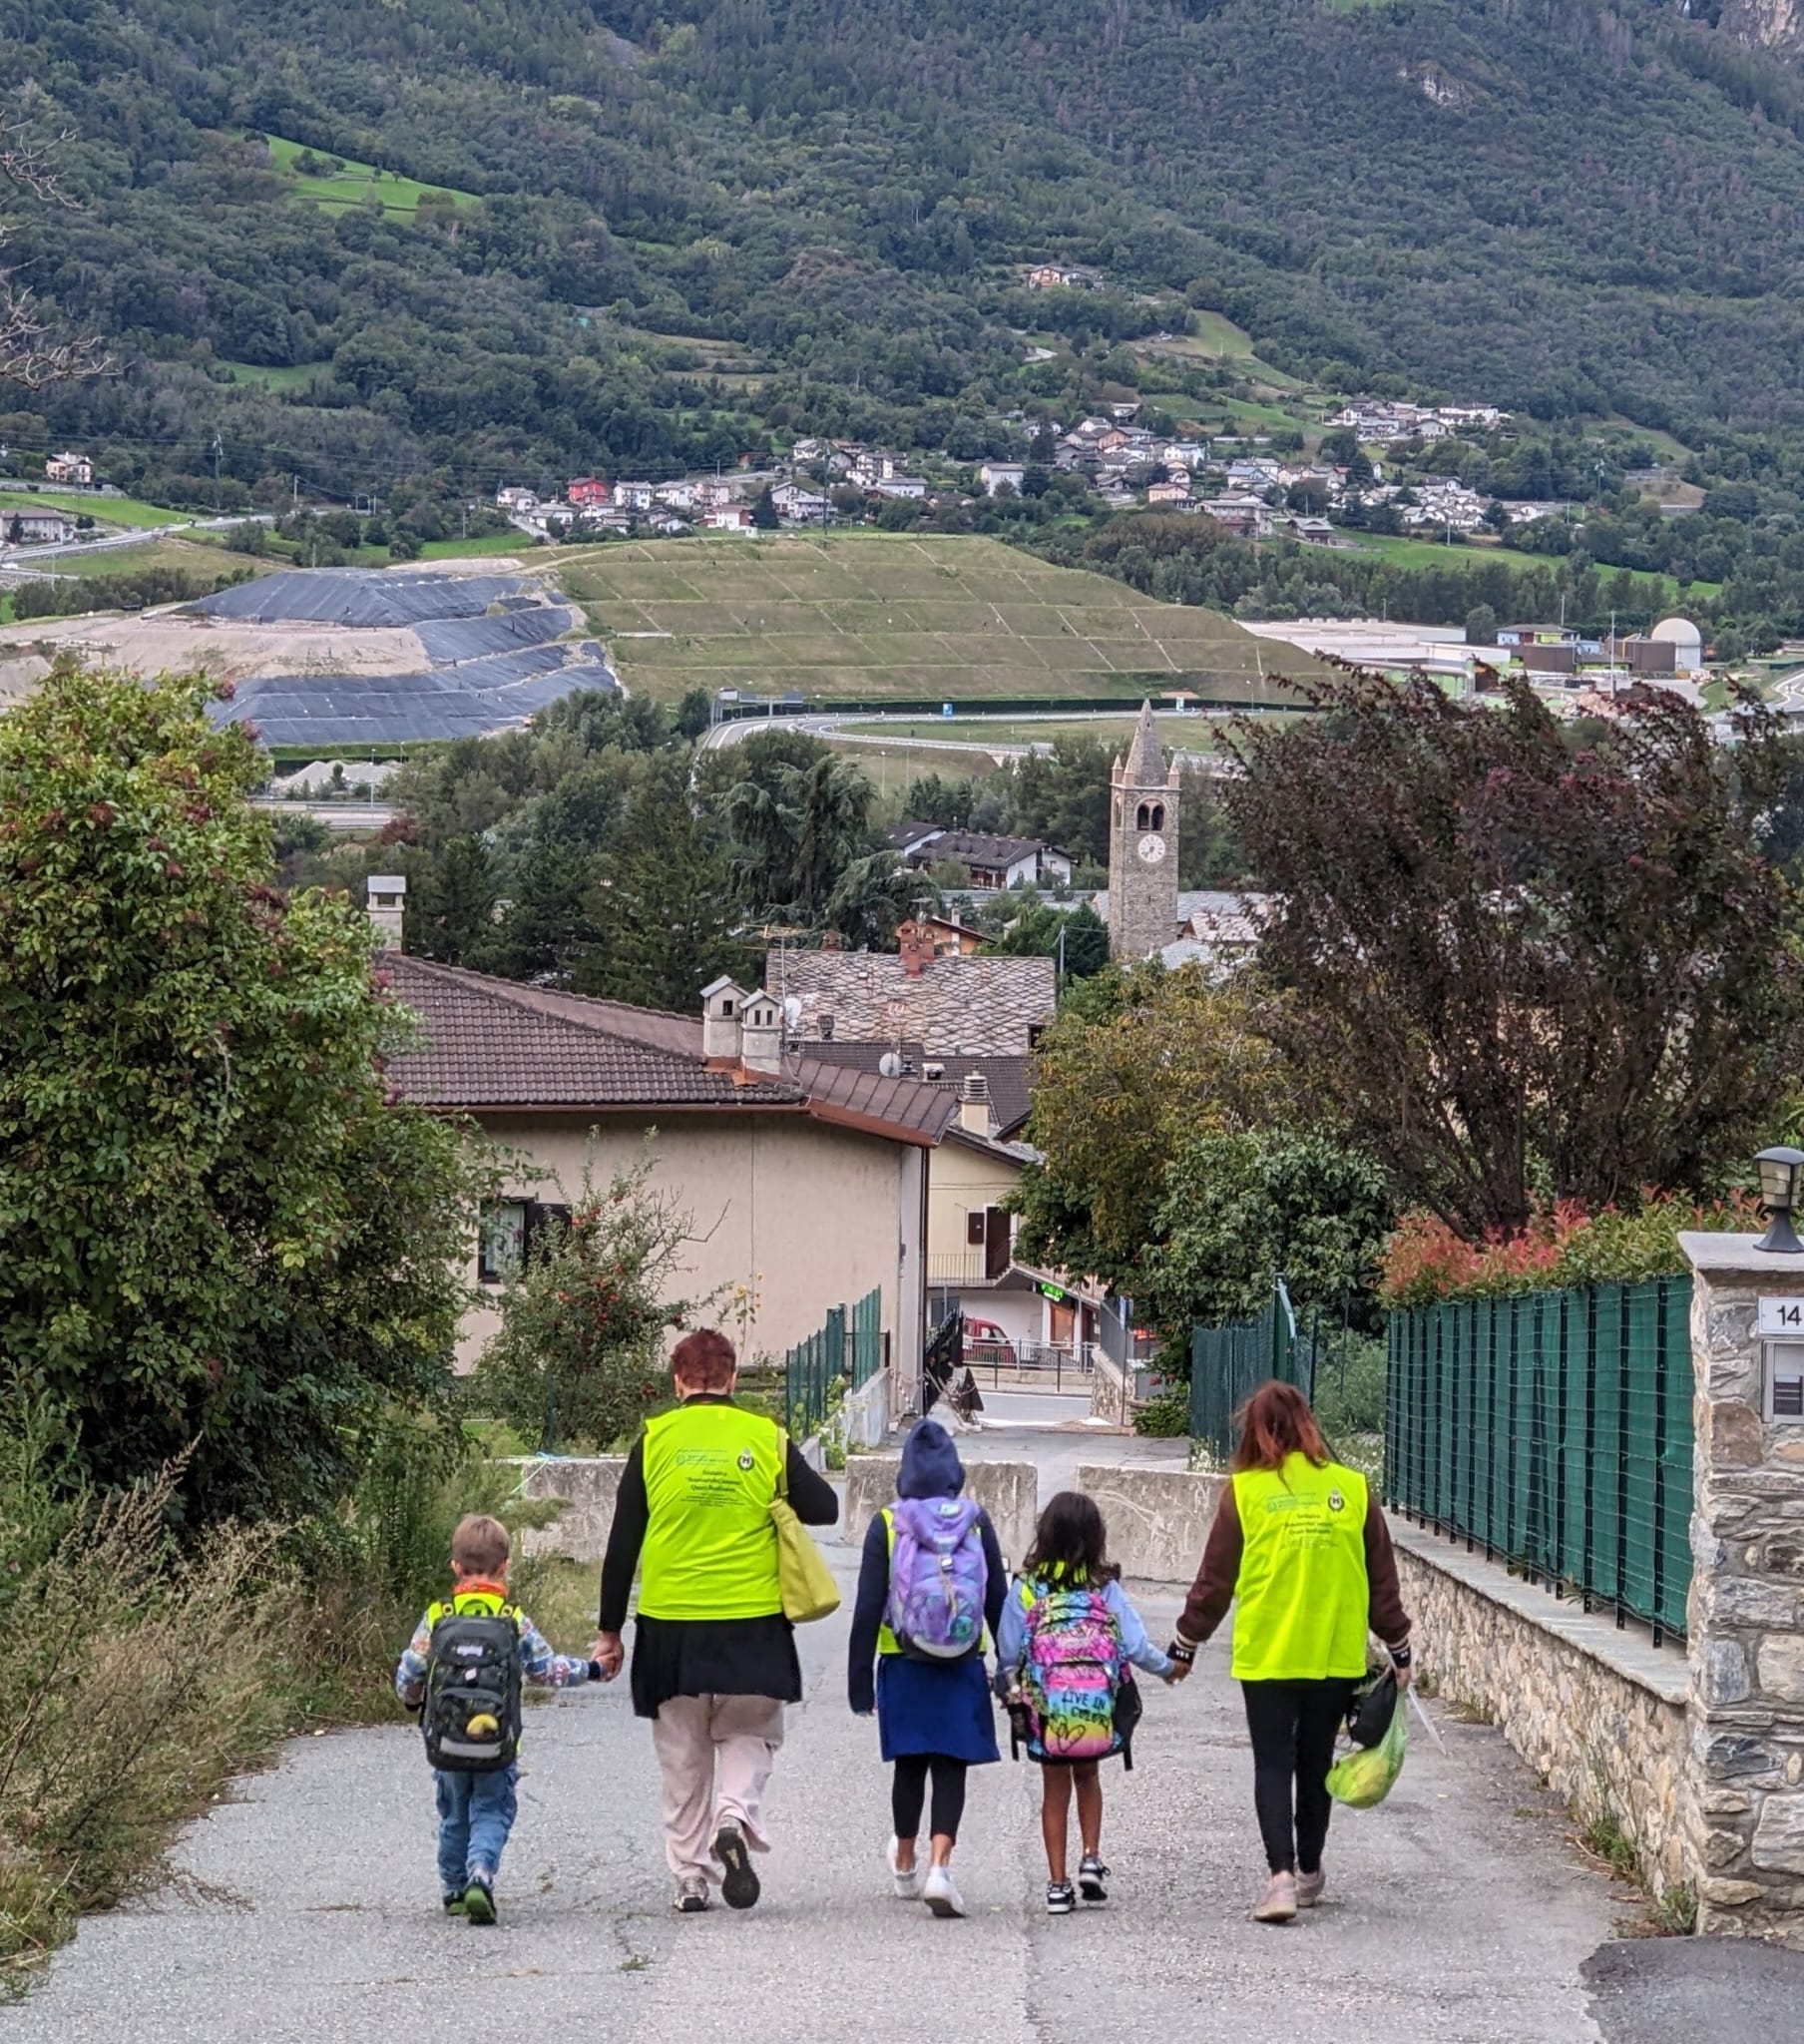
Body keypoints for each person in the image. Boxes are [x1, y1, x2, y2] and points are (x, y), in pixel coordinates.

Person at [595, 1327, 838, 1915]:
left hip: (670, 1624)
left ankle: (690, 1879)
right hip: (752, 1623)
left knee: (682, 1754)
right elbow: (826, 1507)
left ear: (678, 1382)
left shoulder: (653, 1440)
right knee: (750, 1731)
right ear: (731, 1379)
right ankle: (734, 1816)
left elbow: (623, 1541)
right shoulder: (766, 1437)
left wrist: (610, 1631)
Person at [1166, 1380, 1413, 1925]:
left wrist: (1184, 1645)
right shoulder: (1353, 1489)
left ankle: (1278, 1880)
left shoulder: (1246, 1494)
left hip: (1268, 1654)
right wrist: (1400, 1648)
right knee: (1315, 1760)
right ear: (1307, 1424)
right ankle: (1309, 1871)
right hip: (1333, 1655)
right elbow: (1381, 1584)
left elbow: (1214, 1582)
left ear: (1255, 1430)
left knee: (1273, 1762)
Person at [395, 1511, 604, 1924]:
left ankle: (454, 1889)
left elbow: (410, 1672)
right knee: (491, 1810)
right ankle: (481, 1874)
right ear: (505, 1566)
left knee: (454, 1812)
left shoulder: (438, 1617)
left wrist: (411, 1699)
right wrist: (593, 1669)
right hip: (498, 1743)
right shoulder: (512, 1620)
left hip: (447, 1742)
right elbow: (547, 1670)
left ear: (455, 1567)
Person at [847, 1418, 1006, 1919]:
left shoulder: (889, 1523)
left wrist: (858, 1682)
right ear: (954, 1474)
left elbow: (868, 1606)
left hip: (903, 1659)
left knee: (910, 1763)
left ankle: (905, 1859)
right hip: (961, 1660)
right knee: (951, 1764)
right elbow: (998, 1602)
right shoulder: (976, 1522)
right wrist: (1011, 1670)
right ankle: (941, 1867)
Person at [996, 1490, 1174, 1915]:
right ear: (1096, 1539)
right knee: (1088, 1778)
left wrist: (1011, 1692)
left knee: (1053, 1791)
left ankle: (1057, 1886)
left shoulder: (1027, 1588)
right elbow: (1134, 1644)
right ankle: (1091, 1857)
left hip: (1048, 1710)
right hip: (1096, 1708)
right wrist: (1169, 1669)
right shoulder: (1103, 1588)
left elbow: (1007, 1654)